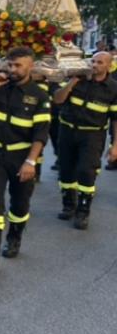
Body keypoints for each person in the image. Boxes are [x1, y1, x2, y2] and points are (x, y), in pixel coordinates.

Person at [0, 47, 51, 268]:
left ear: (30, 66)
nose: (13, 69)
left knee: (19, 203)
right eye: (10, 65)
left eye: (18, 66)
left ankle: (14, 238)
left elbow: (41, 134)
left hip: (21, 156)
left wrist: (31, 162)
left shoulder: (39, 96)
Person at [51, 51, 117, 229]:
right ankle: (68, 205)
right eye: (93, 61)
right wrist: (72, 83)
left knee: (86, 171)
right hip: (67, 132)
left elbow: (115, 119)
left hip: (92, 135)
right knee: (66, 170)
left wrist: (115, 146)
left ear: (109, 66)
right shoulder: (76, 79)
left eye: (100, 62)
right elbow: (57, 99)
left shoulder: (113, 89)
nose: (95, 65)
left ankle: (83, 210)